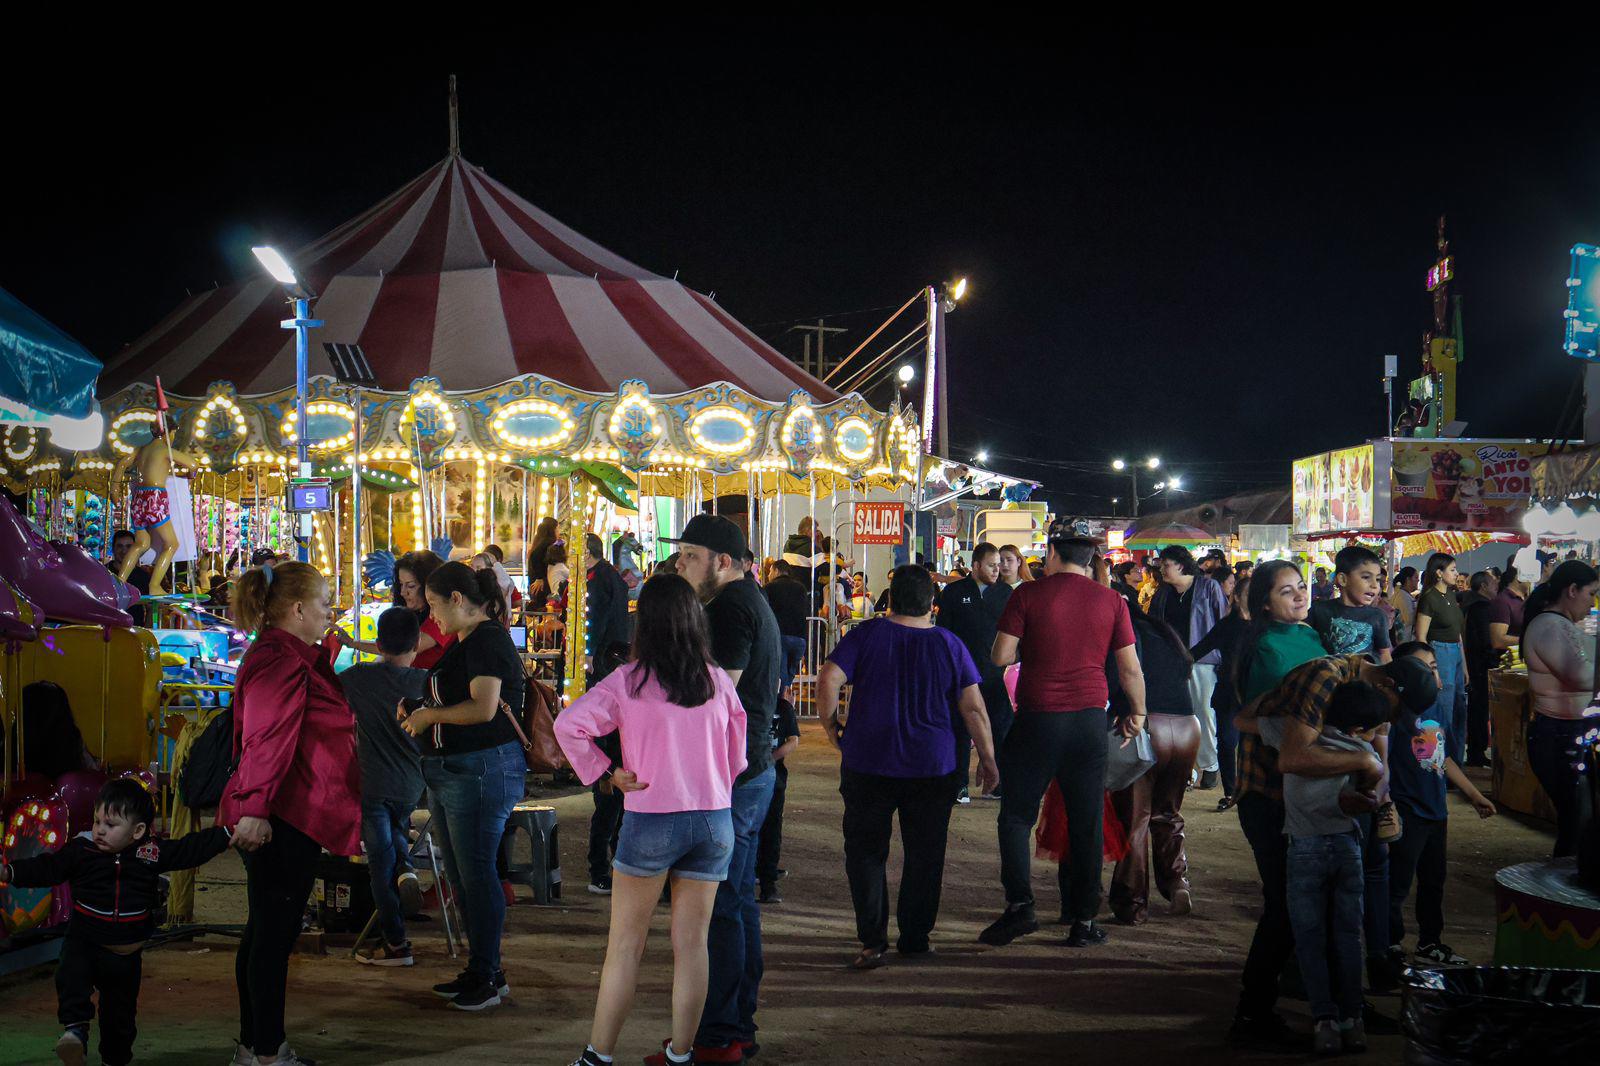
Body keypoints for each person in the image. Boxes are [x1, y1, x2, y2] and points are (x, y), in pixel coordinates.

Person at [555, 574, 748, 1066]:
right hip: (713, 821)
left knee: (625, 944)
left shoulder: (628, 681)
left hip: (651, 819)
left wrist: (606, 773)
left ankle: (598, 1056)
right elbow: (737, 753)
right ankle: (682, 1054)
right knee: (693, 945)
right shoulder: (717, 680)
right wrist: (713, 783)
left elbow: (568, 725)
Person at [1227, 647, 1439, 1050]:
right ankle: (1252, 1014)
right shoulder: (1326, 677)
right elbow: (1293, 757)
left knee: (1335, 921)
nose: (1389, 722)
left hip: (1323, 817)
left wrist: (1377, 787)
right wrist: (1364, 767)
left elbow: (1379, 755)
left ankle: (1345, 1009)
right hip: (1271, 798)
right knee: (1285, 910)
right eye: (1394, 711)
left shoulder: (1372, 692)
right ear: (1389, 685)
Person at [817, 565, 999, 968]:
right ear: (932, 604)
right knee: (925, 854)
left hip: (868, 760)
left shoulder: (865, 636)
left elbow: (829, 677)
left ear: (891, 599)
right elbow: (973, 708)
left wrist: (832, 728)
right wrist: (987, 760)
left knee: (865, 852)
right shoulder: (950, 645)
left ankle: (872, 940)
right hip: (932, 765)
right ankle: (915, 938)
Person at [220, 561, 360, 1066]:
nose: (329, 613)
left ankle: (255, 1045)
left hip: (289, 812)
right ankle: (265, 1051)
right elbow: (265, 738)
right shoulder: (279, 660)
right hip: (282, 817)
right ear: (298, 609)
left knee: (266, 931)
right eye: (324, 603)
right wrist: (255, 809)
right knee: (272, 937)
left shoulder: (287, 655)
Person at [981, 532, 1144, 949]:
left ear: (1052, 554)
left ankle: (1021, 905)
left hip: (1038, 719)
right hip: (1090, 721)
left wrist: (1032, 651)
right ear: (1090, 559)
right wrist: (1138, 712)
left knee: (1016, 817)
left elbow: (1000, 656)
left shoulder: (1028, 596)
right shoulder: (1112, 602)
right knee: (1086, 820)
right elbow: (1129, 669)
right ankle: (1084, 920)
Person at [0, 778, 234, 1066]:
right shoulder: (81, 850)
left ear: (137, 831)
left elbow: (189, 849)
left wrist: (226, 833)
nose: (99, 829)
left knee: (120, 1018)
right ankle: (75, 1032)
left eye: (110, 825)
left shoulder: (150, 852)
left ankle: (115, 1059)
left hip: (125, 957)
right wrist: (10, 872)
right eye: (97, 821)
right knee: (71, 973)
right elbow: (47, 868)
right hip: (86, 941)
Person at [670, 514, 779, 1063]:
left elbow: (717, 696)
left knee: (718, 906)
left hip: (734, 775)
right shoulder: (743, 602)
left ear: (725, 562)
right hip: (749, 770)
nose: (681, 563)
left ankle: (719, 1032)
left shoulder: (733, 609)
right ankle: (735, 1023)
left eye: (691, 554)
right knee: (735, 901)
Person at [398, 561, 525, 1011]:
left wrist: (428, 716)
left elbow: (484, 707)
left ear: (457, 599)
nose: (431, 617)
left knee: (476, 873)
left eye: (434, 605)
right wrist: (419, 705)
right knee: (461, 875)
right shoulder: (468, 640)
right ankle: (482, 968)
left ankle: (487, 974)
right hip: (455, 769)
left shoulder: (487, 640)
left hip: (480, 769)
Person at [1258, 682, 1391, 1055]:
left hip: (1304, 849)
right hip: (1346, 847)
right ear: (1359, 729)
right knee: (1348, 938)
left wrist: (1295, 689)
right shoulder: (1361, 751)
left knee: (1310, 941)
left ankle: (1325, 1023)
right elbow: (1370, 789)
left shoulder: (1293, 739)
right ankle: (1354, 1022)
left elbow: (1245, 717)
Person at [1376, 640, 1496, 975]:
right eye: (1423, 669)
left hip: (1435, 812)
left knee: (1433, 881)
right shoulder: (1393, 716)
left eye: (1432, 668)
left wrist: (1473, 795)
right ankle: (1389, 947)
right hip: (1407, 813)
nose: (1432, 675)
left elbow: (1443, 760)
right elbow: (1382, 768)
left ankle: (1430, 943)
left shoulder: (1435, 709)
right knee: (1397, 884)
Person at [341, 607, 429, 967]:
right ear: (416, 646)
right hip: (413, 785)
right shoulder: (425, 681)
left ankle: (396, 943)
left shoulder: (358, 678)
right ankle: (407, 867)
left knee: (379, 863)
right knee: (397, 831)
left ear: (377, 644)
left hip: (373, 783)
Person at [1108, 609, 1199, 925]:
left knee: (1136, 818)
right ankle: (1177, 884)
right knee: (1168, 812)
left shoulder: (1122, 634)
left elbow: (1123, 678)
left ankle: (1132, 903)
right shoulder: (1167, 635)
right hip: (1187, 728)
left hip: (1148, 727)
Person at [1521, 561, 1600, 857]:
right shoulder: (1548, 627)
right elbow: (1581, 676)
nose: (1592, 601)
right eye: (1590, 594)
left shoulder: (1564, 625)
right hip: (1558, 736)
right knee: (1577, 819)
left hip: (1574, 732)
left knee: (1583, 817)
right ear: (1572, 590)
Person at [936, 543, 1014, 803]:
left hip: (994, 675)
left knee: (1002, 727)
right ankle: (959, 785)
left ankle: (998, 783)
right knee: (960, 731)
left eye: (1000, 564)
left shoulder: (1005, 593)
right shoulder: (954, 593)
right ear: (976, 566)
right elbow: (944, 633)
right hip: (961, 676)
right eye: (992, 565)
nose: (998, 569)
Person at [1149, 545, 1230, 790]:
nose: (1162, 569)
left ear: (1181, 565)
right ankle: (1182, 769)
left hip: (1203, 663)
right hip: (1170, 663)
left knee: (1204, 713)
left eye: (1166, 564)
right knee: (1175, 717)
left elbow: (1222, 624)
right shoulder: (1162, 593)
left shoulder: (1208, 587)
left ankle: (1209, 764)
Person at [582, 533, 634, 895]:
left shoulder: (600, 581)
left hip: (601, 671)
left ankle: (601, 866)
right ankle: (612, 863)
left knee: (608, 801)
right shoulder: (612, 577)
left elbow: (596, 621)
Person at [110, 432, 206, 595]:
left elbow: (122, 463)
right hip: (154, 498)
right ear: (171, 432)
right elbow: (194, 465)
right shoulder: (164, 450)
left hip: (138, 498)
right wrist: (190, 475)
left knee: (141, 544)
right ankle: (154, 585)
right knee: (171, 544)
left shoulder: (141, 450)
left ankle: (120, 583)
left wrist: (115, 487)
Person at [1193, 574, 1252, 812]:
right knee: (1227, 743)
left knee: (1253, 746)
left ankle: (1252, 793)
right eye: (1249, 593)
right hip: (1228, 692)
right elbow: (1198, 650)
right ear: (1236, 597)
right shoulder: (1227, 625)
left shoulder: (1267, 625)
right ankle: (1230, 792)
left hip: (1257, 695)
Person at [348, 550, 453, 670]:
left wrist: (354, 644)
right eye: (401, 584)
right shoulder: (413, 614)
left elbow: (400, 649)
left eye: (411, 586)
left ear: (427, 586)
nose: (403, 592)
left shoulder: (439, 618)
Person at [1414, 553, 1469, 766]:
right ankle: (1441, 764)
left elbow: (1458, 634)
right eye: (1452, 569)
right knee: (1444, 710)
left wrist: (1463, 665)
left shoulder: (1451, 596)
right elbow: (1421, 637)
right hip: (1439, 653)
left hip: (1455, 653)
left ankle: (1456, 762)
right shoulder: (1429, 598)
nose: (1456, 573)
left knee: (1458, 709)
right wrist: (1433, 669)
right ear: (1439, 573)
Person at [1310, 545, 1393, 663]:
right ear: (1343, 580)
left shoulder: (1378, 616)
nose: (1375, 585)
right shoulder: (1319, 610)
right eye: (1366, 577)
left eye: (1378, 579)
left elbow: (1384, 655)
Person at [756, 695, 801, 904]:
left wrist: (769, 759)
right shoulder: (748, 699)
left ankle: (768, 882)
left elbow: (793, 741)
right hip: (749, 774)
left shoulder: (782, 707)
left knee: (771, 829)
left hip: (774, 777)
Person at [1460, 571, 1500, 768]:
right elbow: (1486, 639)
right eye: (1493, 583)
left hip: (1471, 663)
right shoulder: (1482, 607)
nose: (1496, 586)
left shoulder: (1468, 602)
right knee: (1479, 710)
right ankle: (1477, 752)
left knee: (1476, 710)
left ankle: (1476, 751)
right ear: (1483, 586)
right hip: (1479, 666)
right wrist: (1493, 660)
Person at [763, 560, 810, 694]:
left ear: (777, 571)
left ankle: (782, 707)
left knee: (781, 675)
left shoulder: (769, 587)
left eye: (770, 571)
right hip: (799, 639)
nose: (769, 574)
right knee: (789, 675)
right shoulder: (801, 588)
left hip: (780, 636)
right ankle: (786, 703)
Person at [108, 529, 151, 626]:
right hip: (108, 630)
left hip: (134, 631)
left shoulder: (143, 576)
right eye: (119, 546)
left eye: (128, 547)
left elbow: (150, 608)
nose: (124, 551)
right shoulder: (104, 571)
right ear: (113, 548)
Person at [1388, 566, 1420, 644]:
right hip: (1403, 641)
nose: (1418, 580)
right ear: (1408, 579)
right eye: (1416, 577)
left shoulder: (1404, 594)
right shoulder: (1403, 596)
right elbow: (1409, 620)